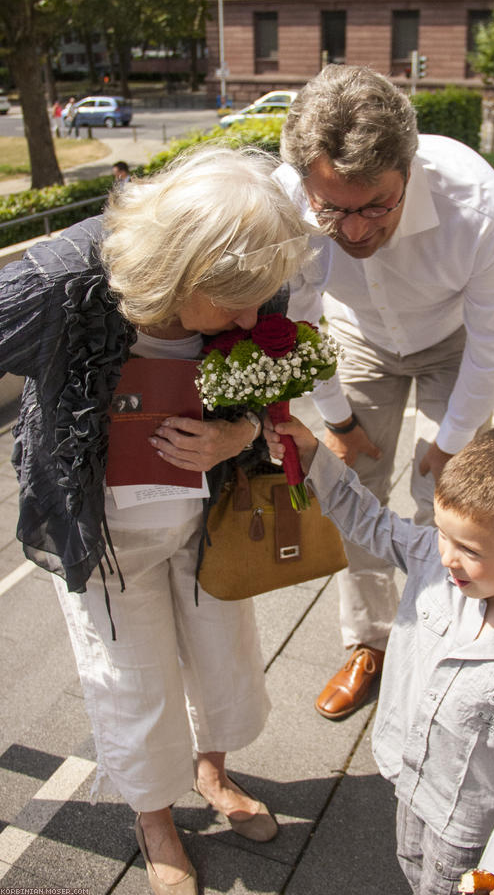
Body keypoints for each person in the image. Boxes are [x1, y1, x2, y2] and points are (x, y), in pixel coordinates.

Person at [0, 143, 317, 895]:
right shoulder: (64, 282)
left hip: (205, 518)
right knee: (130, 677)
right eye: (233, 302)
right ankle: (154, 817)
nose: (251, 316)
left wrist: (238, 434)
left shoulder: (251, 280)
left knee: (222, 655)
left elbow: (273, 372)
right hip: (104, 532)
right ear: (177, 270)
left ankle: (213, 774)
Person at [277, 65, 494, 718]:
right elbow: (299, 323)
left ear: (407, 170)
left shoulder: (475, 199)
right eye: (332, 209)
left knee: (443, 504)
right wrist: (335, 416)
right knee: (355, 487)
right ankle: (371, 644)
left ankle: (436, 638)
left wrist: (451, 442)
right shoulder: (288, 203)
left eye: (376, 206)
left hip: (453, 340)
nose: (354, 232)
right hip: (356, 337)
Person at [265, 416, 494, 895]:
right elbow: (367, 519)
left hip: (469, 824)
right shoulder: (436, 563)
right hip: (409, 777)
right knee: (411, 862)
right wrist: (314, 455)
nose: (446, 557)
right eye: (441, 533)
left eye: (468, 549)